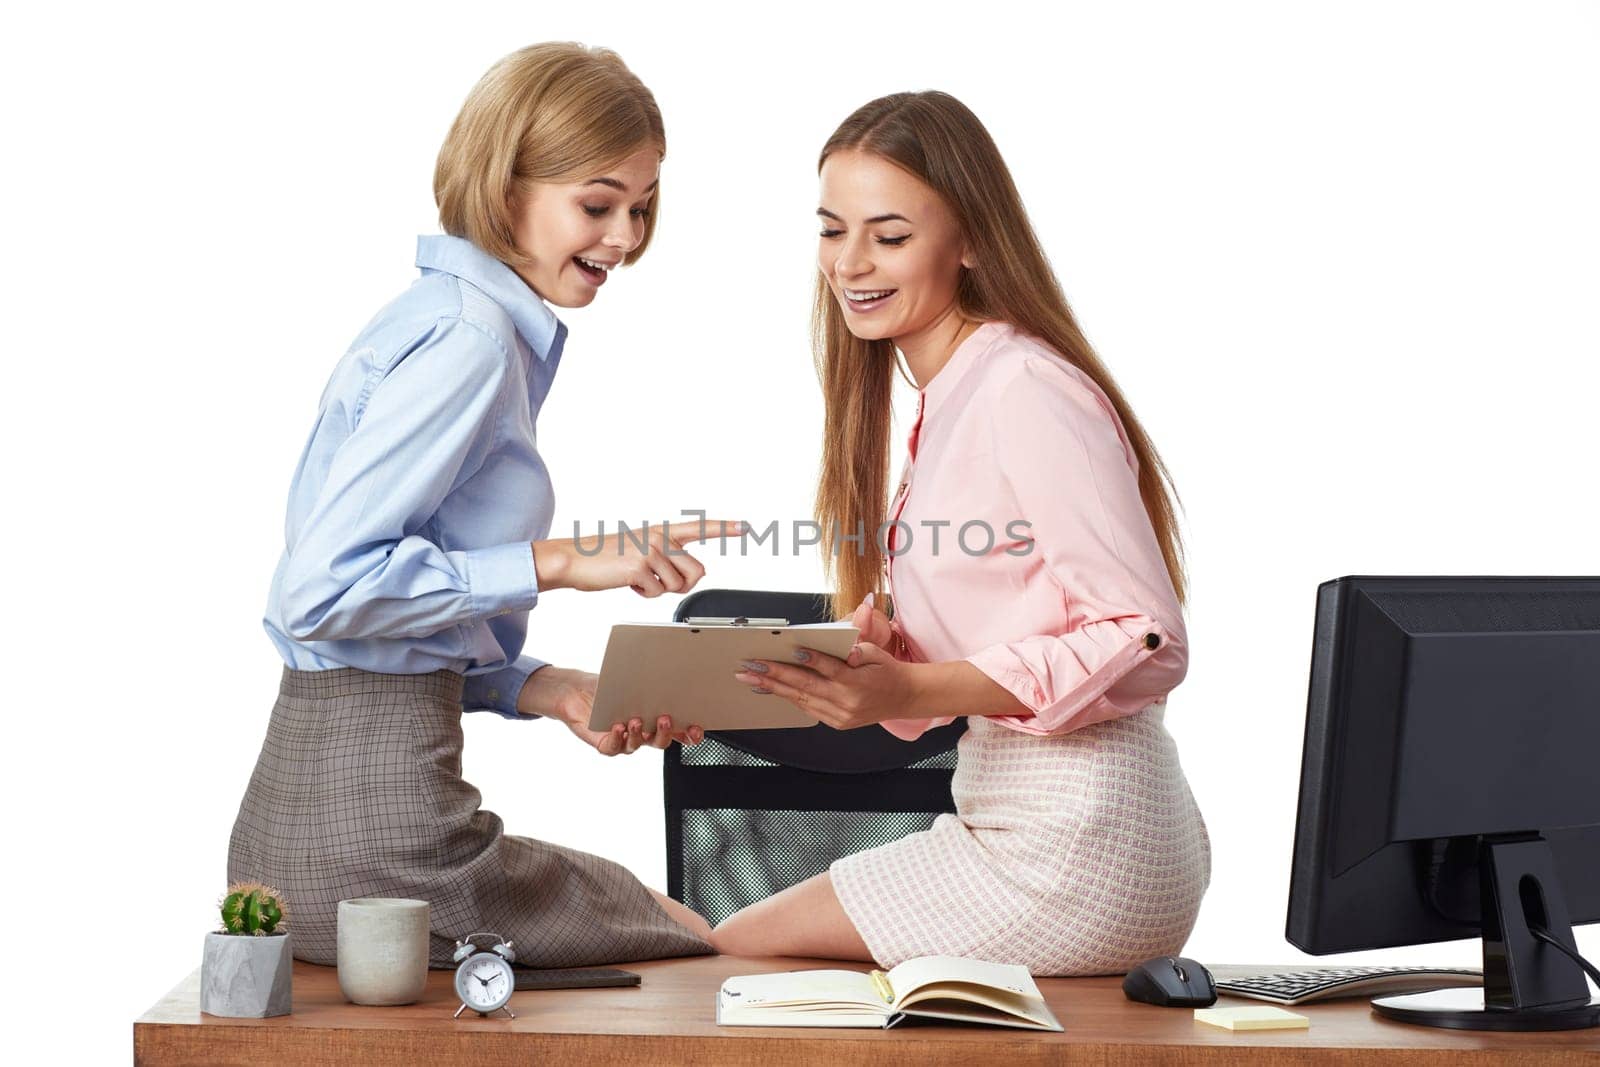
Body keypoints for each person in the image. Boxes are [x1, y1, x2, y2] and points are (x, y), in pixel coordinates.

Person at [228, 43, 728, 969]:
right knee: (697, 932)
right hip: (388, 848)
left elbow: (378, 626)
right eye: (598, 202)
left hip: (290, 839)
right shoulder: (471, 338)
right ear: (505, 193)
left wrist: (550, 689)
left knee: (665, 923)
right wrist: (561, 562)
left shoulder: (438, 315)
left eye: (642, 207)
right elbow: (321, 590)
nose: (626, 236)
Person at [712, 91, 1210, 976]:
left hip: (1072, 843)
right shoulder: (954, 397)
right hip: (1037, 824)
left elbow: (1149, 639)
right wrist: (888, 658)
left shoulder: (1020, 385)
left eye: (890, 235)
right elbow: (1016, 629)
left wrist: (910, 688)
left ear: (971, 241)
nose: (850, 262)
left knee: (728, 953)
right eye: (832, 230)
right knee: (742, 951)